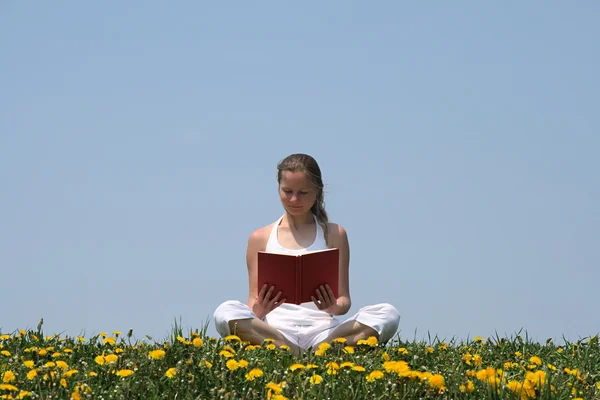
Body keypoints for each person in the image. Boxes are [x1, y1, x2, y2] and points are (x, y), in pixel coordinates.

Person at [213, 153, 400, 354]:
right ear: (278, 189)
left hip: (325, 331)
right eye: (287, 191)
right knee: (225, 312)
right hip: (276, 330)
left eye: (303, 192)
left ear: (317, 192)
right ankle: (303, 351)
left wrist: (333, 307)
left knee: (388, 313)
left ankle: (312, 350)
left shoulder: (335, 234)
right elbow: (252, 300)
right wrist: (258, 311)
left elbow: (344, 300)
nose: (294, 199)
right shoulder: (259, 237)